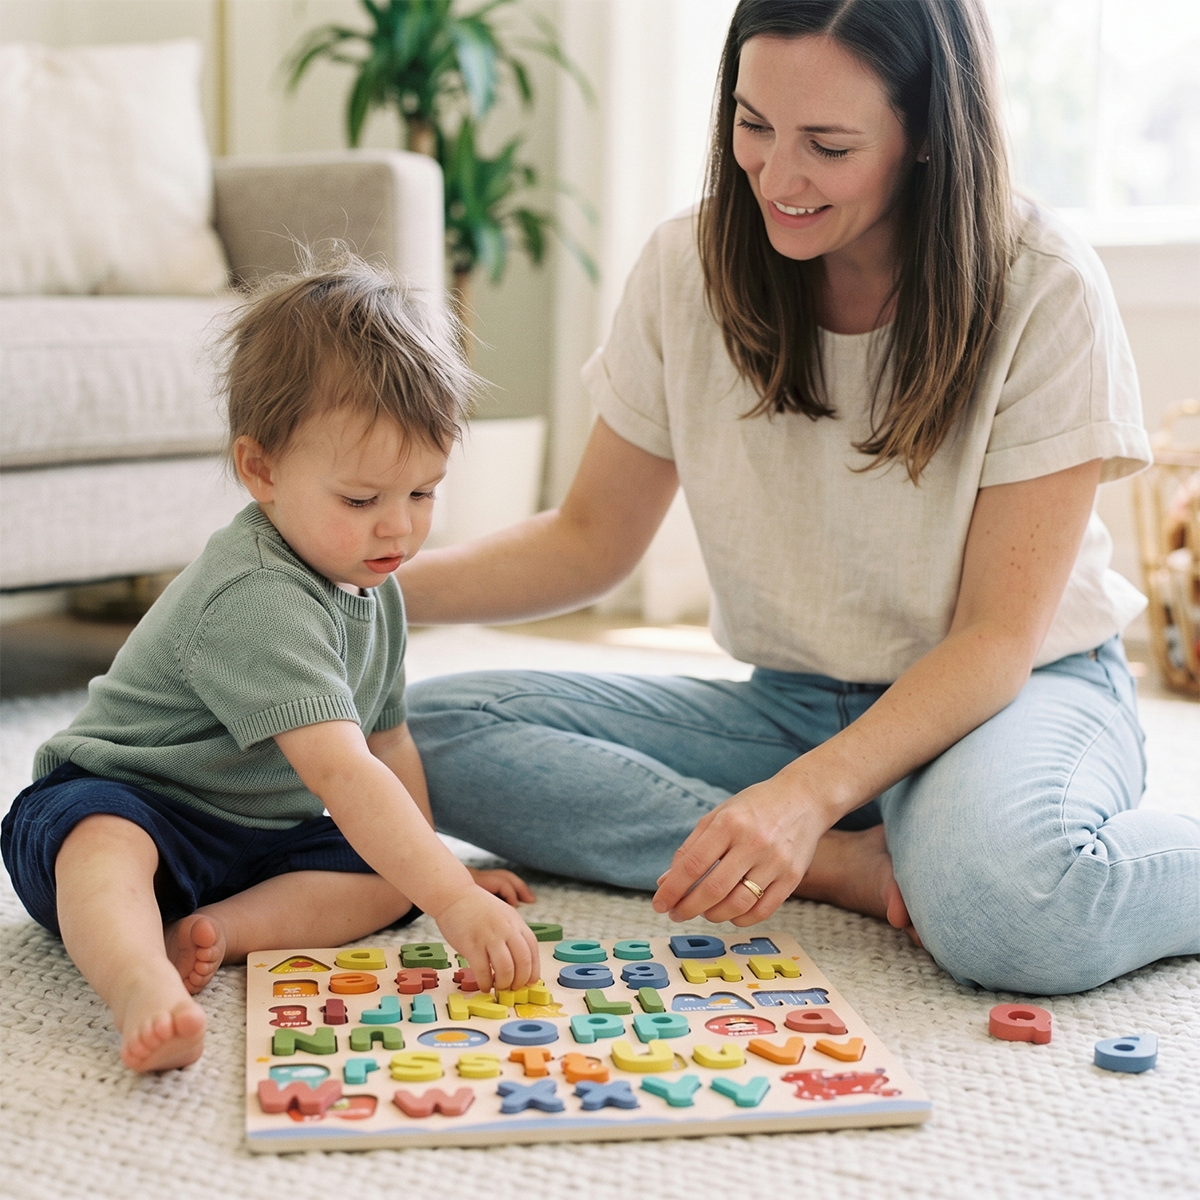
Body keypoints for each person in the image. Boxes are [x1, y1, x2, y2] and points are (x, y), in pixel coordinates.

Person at [397, 0, 1197, 998]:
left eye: (828, 144)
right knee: (413, 739)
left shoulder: (1044, 287)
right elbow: (591, 539)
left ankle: (920, 828)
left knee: (1009, 912)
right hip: (790, 706)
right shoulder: (683, 270)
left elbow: (996, 640)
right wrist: (370, 590)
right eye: (753, 124)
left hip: (1009, 694)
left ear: (924, 139)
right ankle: (843, 862)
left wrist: (804, 794)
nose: (776, 177)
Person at [0, 261, 540, 1073]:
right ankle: (140, 979)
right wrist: (454, 900)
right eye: (361, 500)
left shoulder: (374, 586)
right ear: (262, 471)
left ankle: (215, 931)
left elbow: (389, 747)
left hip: (254, 838)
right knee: (102, 841)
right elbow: (345, 773)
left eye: (423, 493)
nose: (397, 529)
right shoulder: (257, 592)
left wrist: (435, 875)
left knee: (383, 878)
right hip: (130, 801)